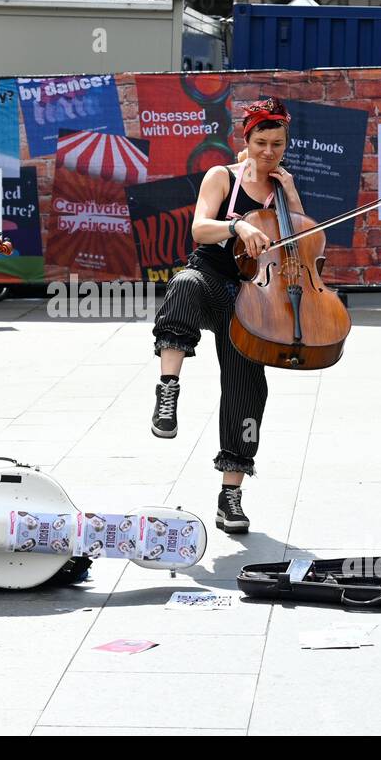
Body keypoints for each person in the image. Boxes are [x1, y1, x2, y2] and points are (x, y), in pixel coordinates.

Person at [149, 97, 305, 535]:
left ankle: (230, 496)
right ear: (246, 140)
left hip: (252, 298)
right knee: (182, 286)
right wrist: (237, 225)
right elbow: (199, 228)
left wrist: (290, 195)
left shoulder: (281, 189)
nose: (269, 152)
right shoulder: (223, 177)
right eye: (261, 142)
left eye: (277, 144)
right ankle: (168, 387)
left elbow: (304, 246)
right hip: (212, 277)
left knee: (246, 390)